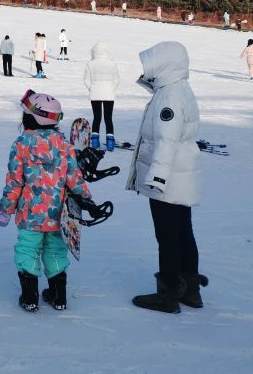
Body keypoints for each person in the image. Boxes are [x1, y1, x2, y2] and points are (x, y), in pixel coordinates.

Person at [0, 90, 103, 312]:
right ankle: (58, 296)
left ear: (31, 118)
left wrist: (5, 210)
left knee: (28, 249)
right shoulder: (63, 144)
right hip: (58, 213)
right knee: (55, 249)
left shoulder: (21, 144)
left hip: (29, 214)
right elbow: (74, 177)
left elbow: (14, 182)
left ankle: (30, 297)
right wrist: (87, 201)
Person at [128, 41, 207, 314]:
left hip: (169, 179)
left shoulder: (169, 97)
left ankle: (170, 292)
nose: (147, 68)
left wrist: (157, 177)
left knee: (168, 237)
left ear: (165, 65)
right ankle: (191, 289)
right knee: (183, 232)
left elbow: (167, 140)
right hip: (181, 177)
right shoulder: (178, 89)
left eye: (151, 63)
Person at [84, 41, 120, 151]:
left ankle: (95, 142)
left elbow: (86, 79)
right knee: (108, 118)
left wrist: (92, 88)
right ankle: (110, 142)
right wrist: (110, 88)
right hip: (109, 93)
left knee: (97, 117)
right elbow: (117, 79)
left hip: (95, 93)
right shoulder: (112, 63)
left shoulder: (90, 63)